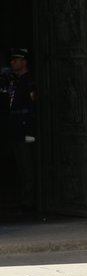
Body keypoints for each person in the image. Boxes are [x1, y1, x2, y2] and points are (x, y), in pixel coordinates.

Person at [8, 49, 36, 214]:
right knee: (19, 164)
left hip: (27, 129)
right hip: (16, 128)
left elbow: (34, 104)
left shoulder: (29, 81)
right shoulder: (14, 81)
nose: (13, 62)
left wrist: (30, 130)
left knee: (27, 165)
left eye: (16, 60)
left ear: (24, 62)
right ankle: (23, 199)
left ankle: (29, 201)